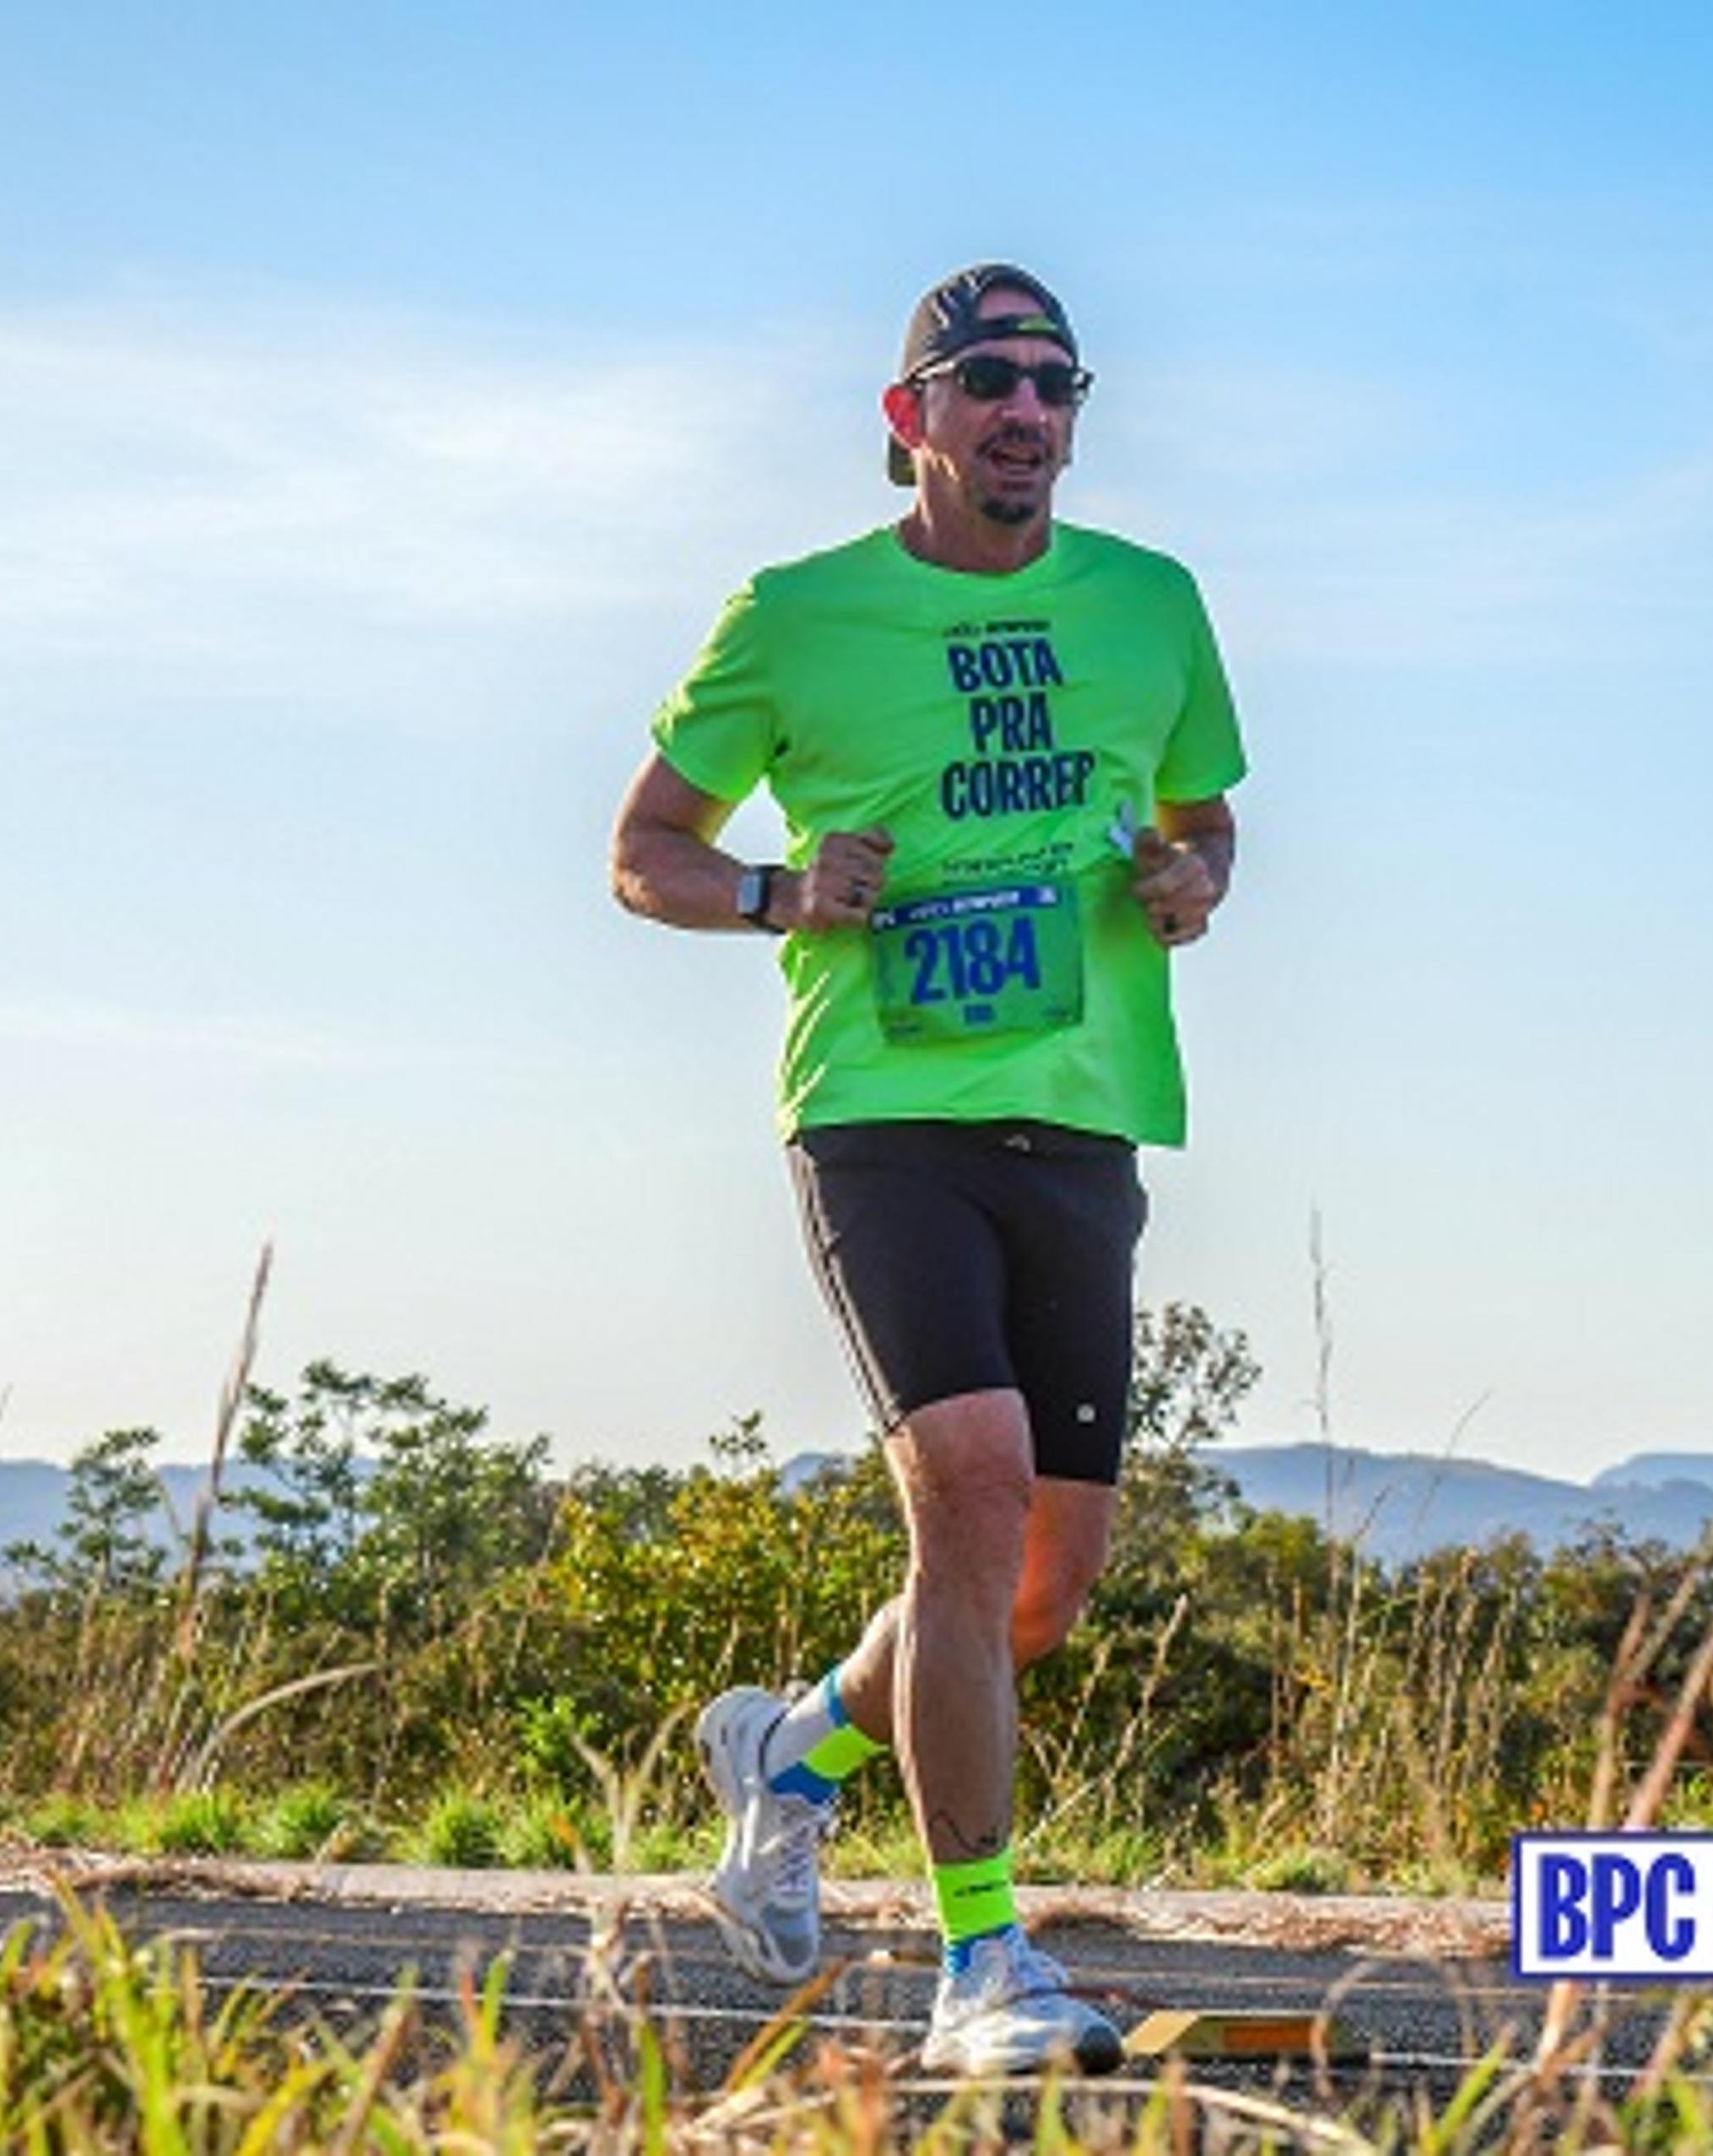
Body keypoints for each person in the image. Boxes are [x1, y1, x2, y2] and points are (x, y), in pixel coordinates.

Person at [607, 263, 1245, 2077]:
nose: (1025, 408)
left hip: (1089, 1109)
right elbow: (645, 846)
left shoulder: (1154, 604)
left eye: (1055, 381)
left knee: (1043, 1581)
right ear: (913, 417)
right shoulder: (797, 617)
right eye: (984, 379)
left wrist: (1198, 883)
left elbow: (1202, 821)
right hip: (880, 1111)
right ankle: (984, 1965)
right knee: (962, 1492)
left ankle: (791, 1750)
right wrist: (773, 892)